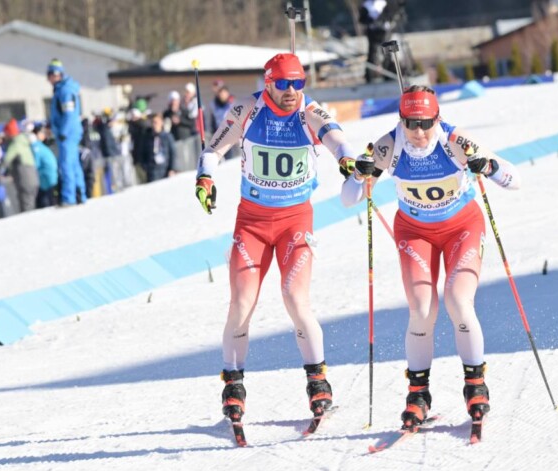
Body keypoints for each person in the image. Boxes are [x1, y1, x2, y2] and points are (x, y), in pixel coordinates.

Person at [340, 85, 521, 431]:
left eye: (425, 123)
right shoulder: (388, 146)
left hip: (462, 229)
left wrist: (490, 166)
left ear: (437, 119)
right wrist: (359, 173)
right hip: (415, 233)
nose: (419, 132)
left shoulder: (455, 142)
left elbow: (515, 180)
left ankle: (475, 385)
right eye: (411, 123)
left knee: (458, 301)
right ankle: (418, 394)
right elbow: (349, 198)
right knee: (422, 309)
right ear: (401, 120)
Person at [195, 52, 358, 425]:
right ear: (268, 83)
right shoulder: (247, 110)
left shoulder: (309, 111)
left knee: (295, 298)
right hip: (252, 223)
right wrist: (204, 177)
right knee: (241, 303)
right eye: (283, 84)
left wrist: (346, 159)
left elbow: (337, 139)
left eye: (298, 83)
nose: (291, 91)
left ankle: (318, 383)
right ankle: (233, 385)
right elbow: (213, 149)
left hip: (294, 221)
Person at [47, 58, 86, 205]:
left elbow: (69, 114)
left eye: (50, 75)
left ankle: (69, 197)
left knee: (66, 165)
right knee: (74, 164)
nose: (49, 79)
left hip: (67, 134)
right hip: (69, 132)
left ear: (57, 75)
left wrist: (63, 132)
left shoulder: (65, 91)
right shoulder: (63, 89)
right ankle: (79, 194)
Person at [0, 118, 40, 212]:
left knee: (27, 209)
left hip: (25, 180)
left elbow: (6, 160)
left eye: (6, 133)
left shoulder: (16, 143)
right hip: (32, 179)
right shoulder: (23, 141)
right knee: (30, 206)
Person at [359, 0, 403, 83]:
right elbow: (361, 19)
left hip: (385, 32)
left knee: (387, 53)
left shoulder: (385, 3)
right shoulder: (367, 5)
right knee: (372, 54)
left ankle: (388, 75)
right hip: (372, 32)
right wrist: (371, 20)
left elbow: (392, 15)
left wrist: (383, 19)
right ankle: (369, 77)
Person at [141, 113, 176, 182]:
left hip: (165, 169)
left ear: (161, 123)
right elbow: (142, 153)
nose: (154, 125)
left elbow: (173, 153)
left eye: (156, 122)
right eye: (153, 122)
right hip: (152, 171)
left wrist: (172, 169)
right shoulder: (147, 137)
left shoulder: (167, 137)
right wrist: (146, 167)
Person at [30, 125, 59, 208]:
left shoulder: (36, 147)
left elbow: (35, 164)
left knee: (46, 203)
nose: (44, 134)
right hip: (50, 178)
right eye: (42, 132)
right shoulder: (40, 146)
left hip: (47, 180)